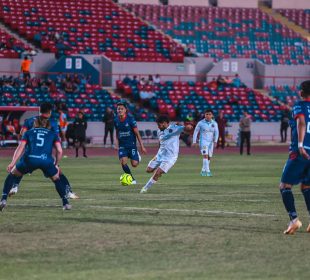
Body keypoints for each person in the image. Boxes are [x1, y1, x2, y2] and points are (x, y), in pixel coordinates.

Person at [0, 115, 71, 211]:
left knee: (12, 174)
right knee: (56, 179)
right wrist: (56, 164)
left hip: (30, 159)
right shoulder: (52, 134)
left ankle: (3, 199)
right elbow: (59, 150)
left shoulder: (28, 132)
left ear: (36, 123)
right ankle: (66, 203)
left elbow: (20, 148)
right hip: (46, 160)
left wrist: (12, 163)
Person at [8, 102, 79, 199]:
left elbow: (22, 134)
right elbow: (55, 140)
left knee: (19, 169)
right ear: (49, 112)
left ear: (39, 110)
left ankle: (15, 186)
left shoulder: (29, 121)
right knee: (58, 172)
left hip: (30, 153)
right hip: (45, 154)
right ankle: (68, 192)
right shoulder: (53, 123)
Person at [279, 80, 310, 234]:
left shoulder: (300, 105)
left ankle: (294, 220)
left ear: (302, 92)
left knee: (285, 186)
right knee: (306, 186)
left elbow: (302, 123)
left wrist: (300, 145)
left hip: (301, 152)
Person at [140, 115, 193, 193]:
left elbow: (187, 129)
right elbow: (161, 142)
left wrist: (189, 127)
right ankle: (159, 171)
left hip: (170, 157)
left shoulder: (174, 128)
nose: (158, 126)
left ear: (164, 123)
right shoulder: (159, 131)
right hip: (159, 155)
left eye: (159, 124)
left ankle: (145, 188)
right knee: (148, 170)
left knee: (157, 172)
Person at [114, 102, 147, 184]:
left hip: (131, 145)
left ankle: (137, 156)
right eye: (118, 109)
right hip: (122, 146)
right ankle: (132, 179)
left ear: (125, 110)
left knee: (134, 164)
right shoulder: (116, 120)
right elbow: (117, 132)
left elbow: (137, 133)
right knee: (123, 162)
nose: (120, 110)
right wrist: (116, 142)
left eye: (122, 109)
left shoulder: (130, 119)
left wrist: (142, 146)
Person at [193, 110, 219, 177]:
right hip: (203, 141)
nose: (208, 116)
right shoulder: (200, 123)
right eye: (206, 114)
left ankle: (203, 170)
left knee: (209, 157)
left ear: (212, 115)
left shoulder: (214, 123)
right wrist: (194, 141)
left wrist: (215, 141)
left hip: (211, 142)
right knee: (205, 156)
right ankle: (208, 171)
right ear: (204, 115)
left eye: (209, 114)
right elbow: (195, 132)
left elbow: (216, 133)